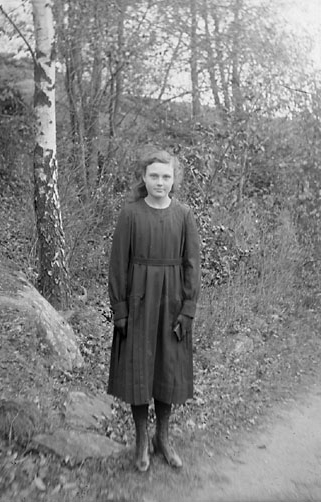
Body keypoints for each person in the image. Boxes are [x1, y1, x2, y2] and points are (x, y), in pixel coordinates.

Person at [107, 148, 201, 472]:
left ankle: (162, 437)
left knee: (167, 370)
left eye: (166, 176)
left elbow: (192, 265)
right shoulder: (130, 214)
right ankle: (141, 441)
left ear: (174, 180)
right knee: (139, 370)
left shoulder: (184, 215)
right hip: (138, 304)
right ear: (144, 178)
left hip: (172, 304)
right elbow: (118, 264)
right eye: (154, 176)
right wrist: (120, 309)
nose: (160, 182)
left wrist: (188, 309)